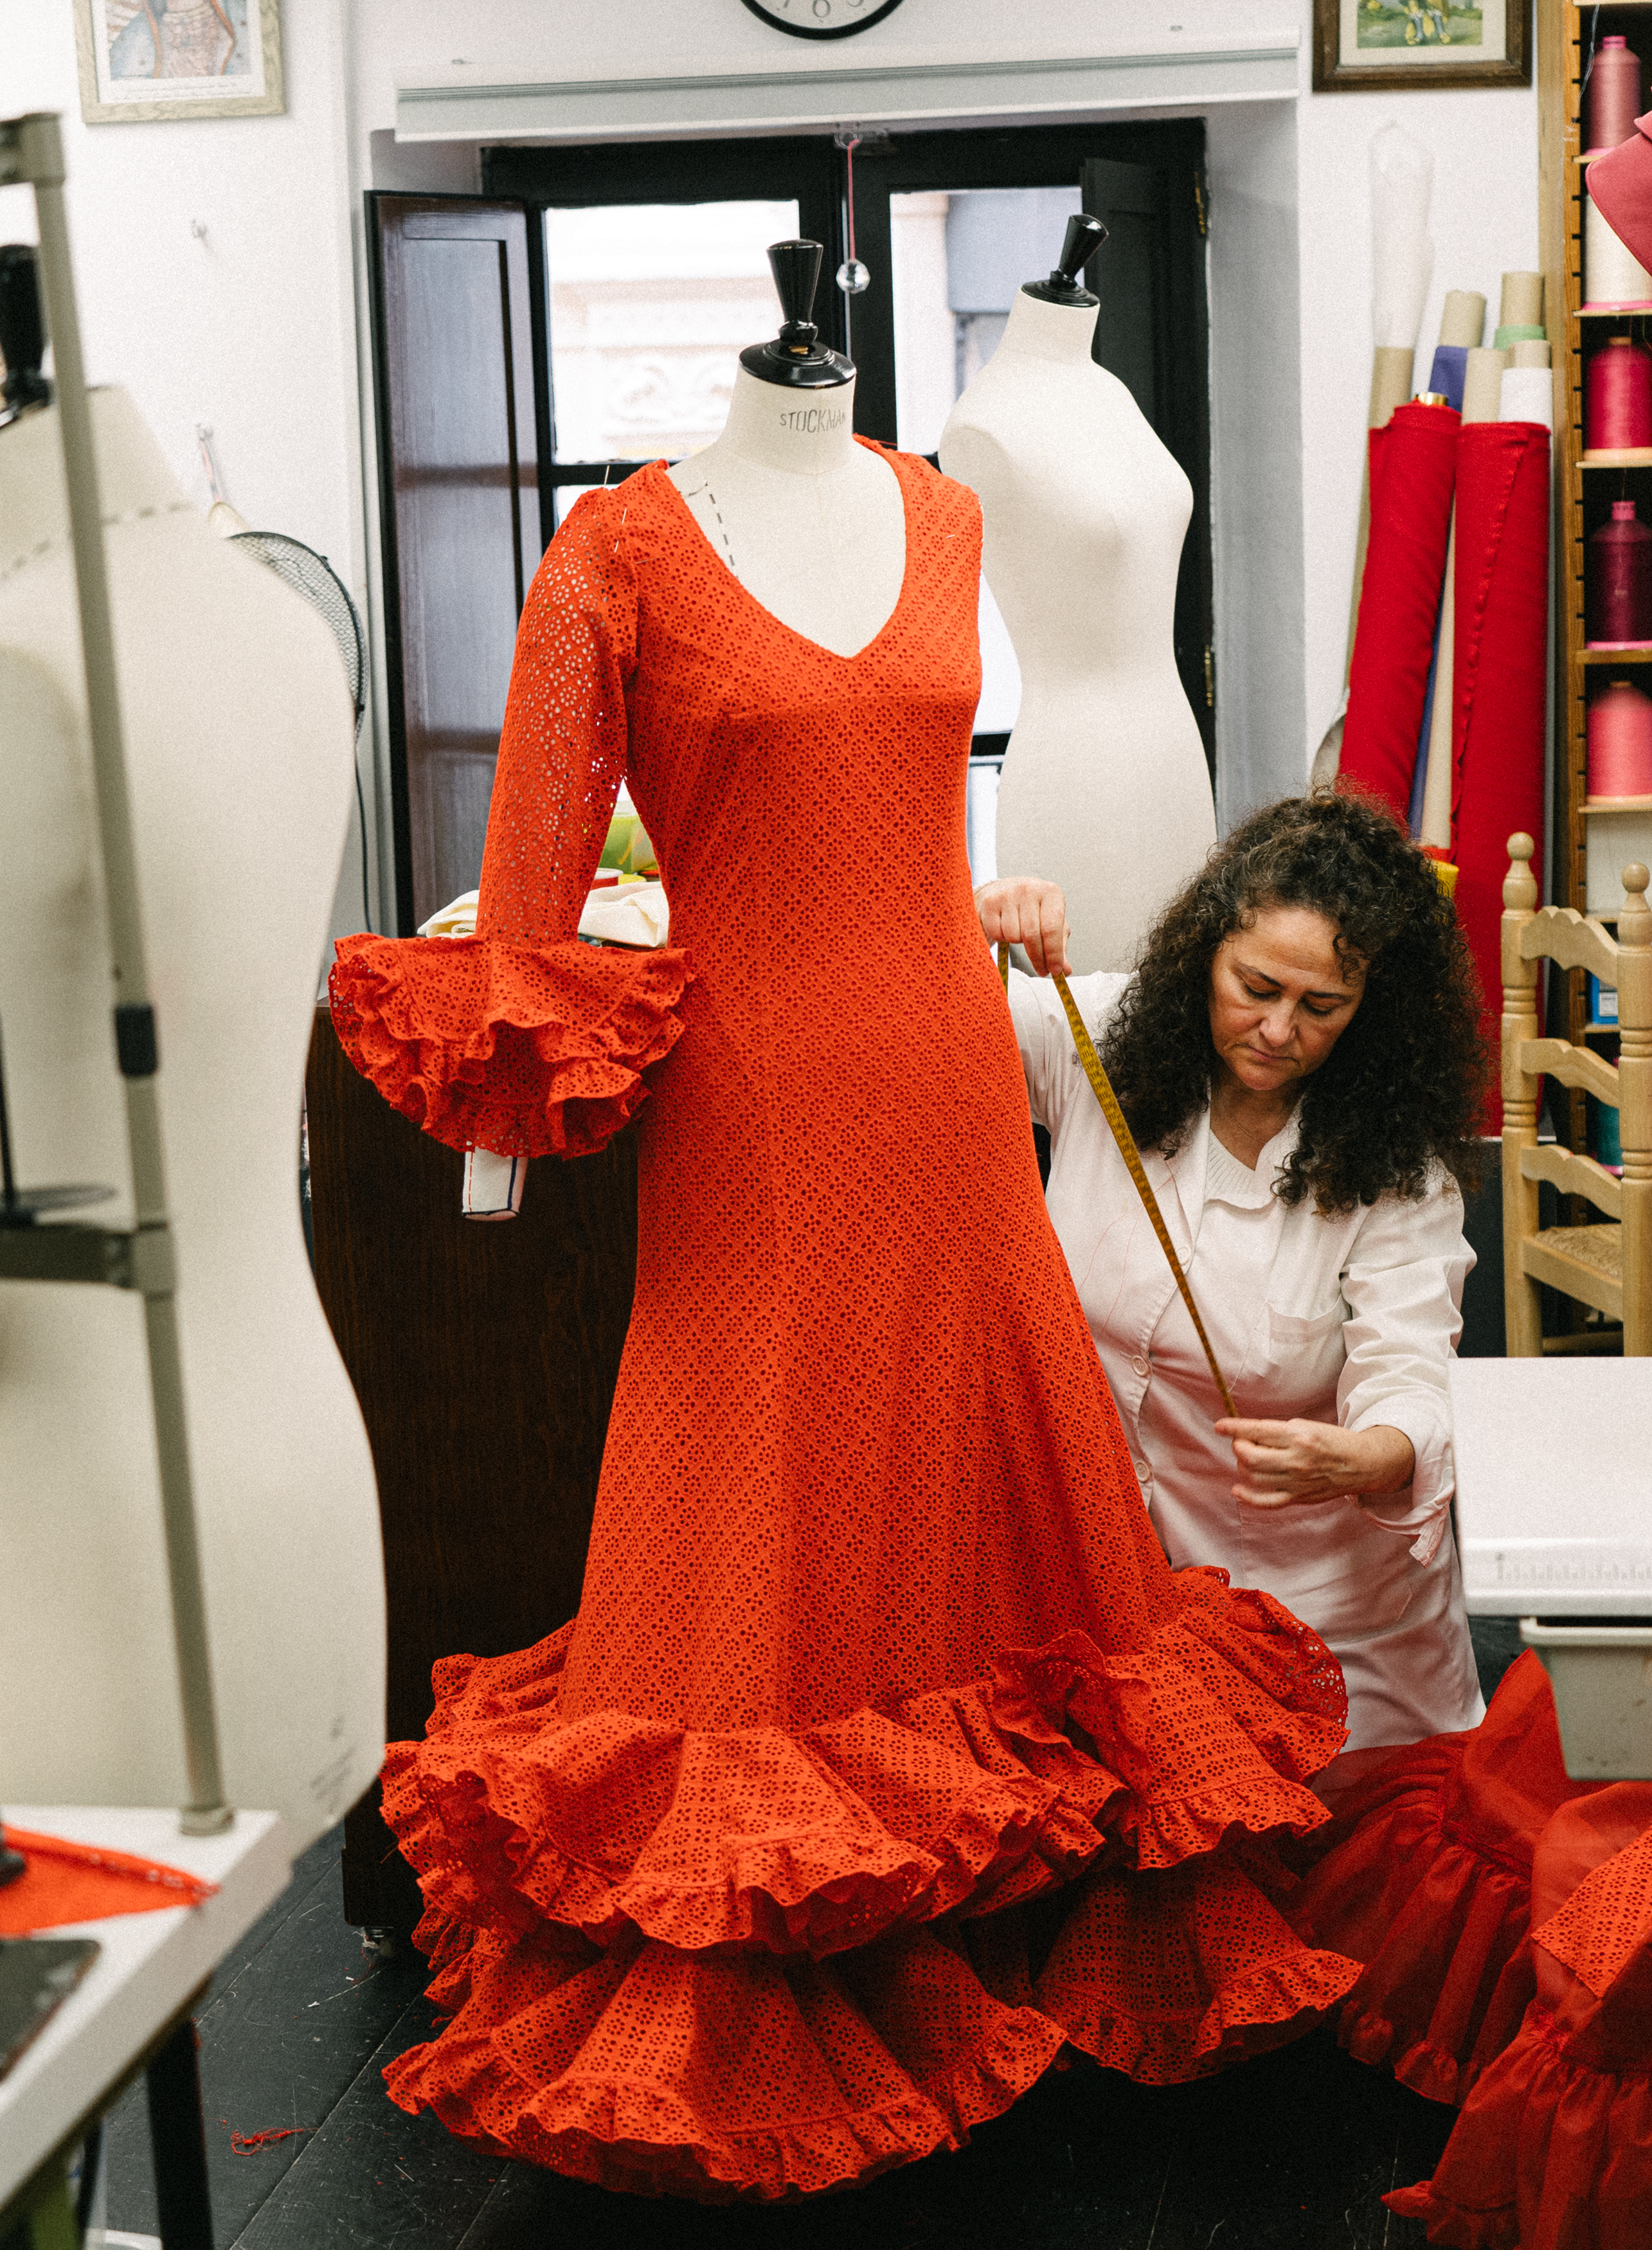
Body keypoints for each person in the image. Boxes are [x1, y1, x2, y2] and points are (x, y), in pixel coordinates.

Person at [328, 453, 1358, 2202]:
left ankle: (1017, 1932)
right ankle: (778, 1969)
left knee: (988, 1474)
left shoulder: (946, 514)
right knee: (753, 1506)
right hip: (754, 1094)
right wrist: (498, 1143)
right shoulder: (621, 548)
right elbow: (535, 857)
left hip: (948, 1063)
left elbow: (911, 811)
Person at [978, 789, 1490, 1769]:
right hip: (1123, 1607)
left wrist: (1370, 1456)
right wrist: (974, 921)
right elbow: (917, 1015)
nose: (1276, 1029)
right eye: (1254, 986)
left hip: (1337, 1641)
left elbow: (1410, 1372)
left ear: (1368, 1014)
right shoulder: (1100, 1045)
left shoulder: (1396, 1176)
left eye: (1320, 1008)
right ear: (1205, 951)